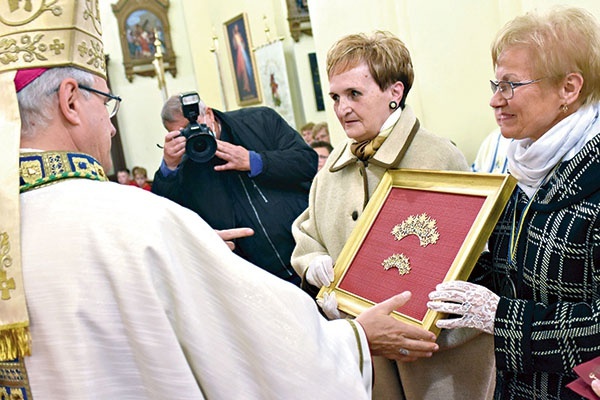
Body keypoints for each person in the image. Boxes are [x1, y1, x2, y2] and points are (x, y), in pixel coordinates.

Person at [0, 5, 440, 398]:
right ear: (71, 101)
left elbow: (304, 165)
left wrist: (254, 162)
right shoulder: (139, 226)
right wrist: (356, 341)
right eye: (108, 103)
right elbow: (265, 356)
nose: (112, 127)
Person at [291, 31, 494, 400]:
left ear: (394, 93)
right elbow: (308, 230)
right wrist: (314, 261)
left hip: (436, 362)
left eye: (354, 94)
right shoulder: (330, 171)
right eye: (335, 97)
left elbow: (470, 259)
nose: (341, 109)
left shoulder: (437, 159)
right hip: (367, 362)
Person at [427, 7, 600, 400]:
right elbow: (514, 274)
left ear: (569, 88)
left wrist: (500, 316)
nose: (494, 100)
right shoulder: (522, 167)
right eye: (495, 84)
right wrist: (442, 268)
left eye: (510, 85)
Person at [151, 94, 317, 285]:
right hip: (254, 278)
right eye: (183, 134)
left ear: (210, 115)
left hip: (308, 254)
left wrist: (255, 161)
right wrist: (169, 167)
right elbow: (166, 218)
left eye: (195, 125)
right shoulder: (183, 167)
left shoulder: (261, 120)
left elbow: (307, 162)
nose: (194, 134)